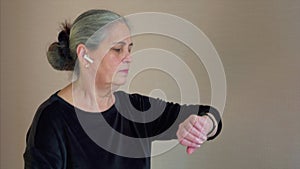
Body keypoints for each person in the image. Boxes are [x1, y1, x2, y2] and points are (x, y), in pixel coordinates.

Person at [23, 9, 222, 169]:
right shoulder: (51, 120)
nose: (128, 57)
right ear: (84, 55)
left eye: (129, 48)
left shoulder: (136, 109)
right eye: (118, 49)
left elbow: (210, 114)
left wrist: (203, 125)